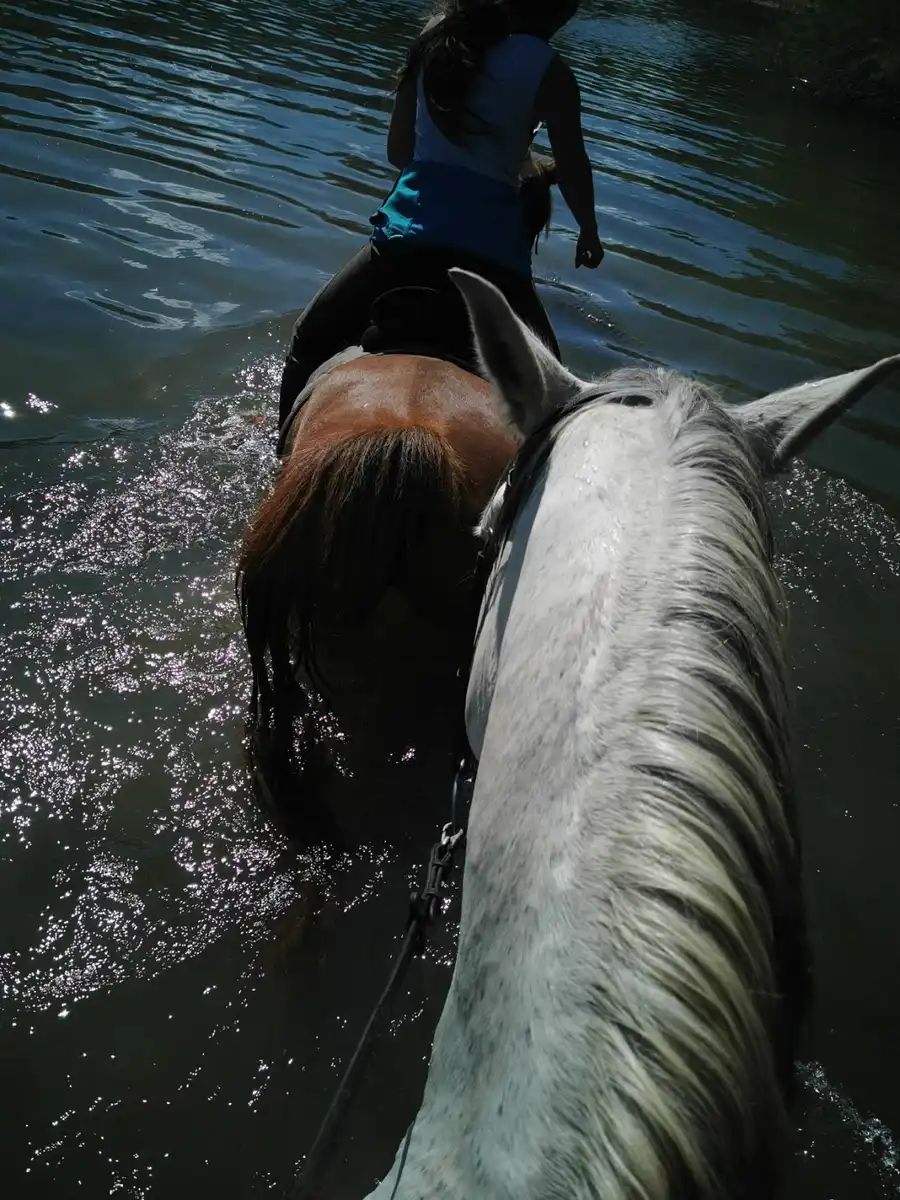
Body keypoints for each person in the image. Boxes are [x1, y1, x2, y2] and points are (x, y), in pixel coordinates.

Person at [278, 0, 605, 429]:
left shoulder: (439, 38)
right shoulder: (552, 72)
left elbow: (399, 152)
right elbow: (574, 166)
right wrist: (588, 231)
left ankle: (280, 447)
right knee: (555, 404)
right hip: (494, 256)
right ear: (565, 12)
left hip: (409, 237)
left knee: (309, 340)